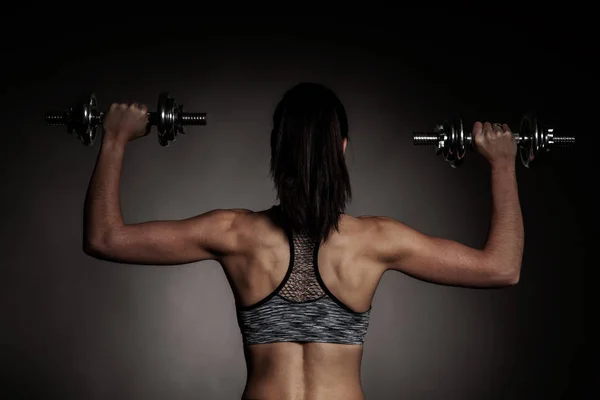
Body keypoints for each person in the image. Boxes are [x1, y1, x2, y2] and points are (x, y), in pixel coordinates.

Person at [83, 82, 523, 400]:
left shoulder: (234, 234)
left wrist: (116, 138)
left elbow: (105, 238)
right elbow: (501, 267)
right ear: (343, 148)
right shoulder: (376, 240)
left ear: (276, 149)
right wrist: (502, 163)